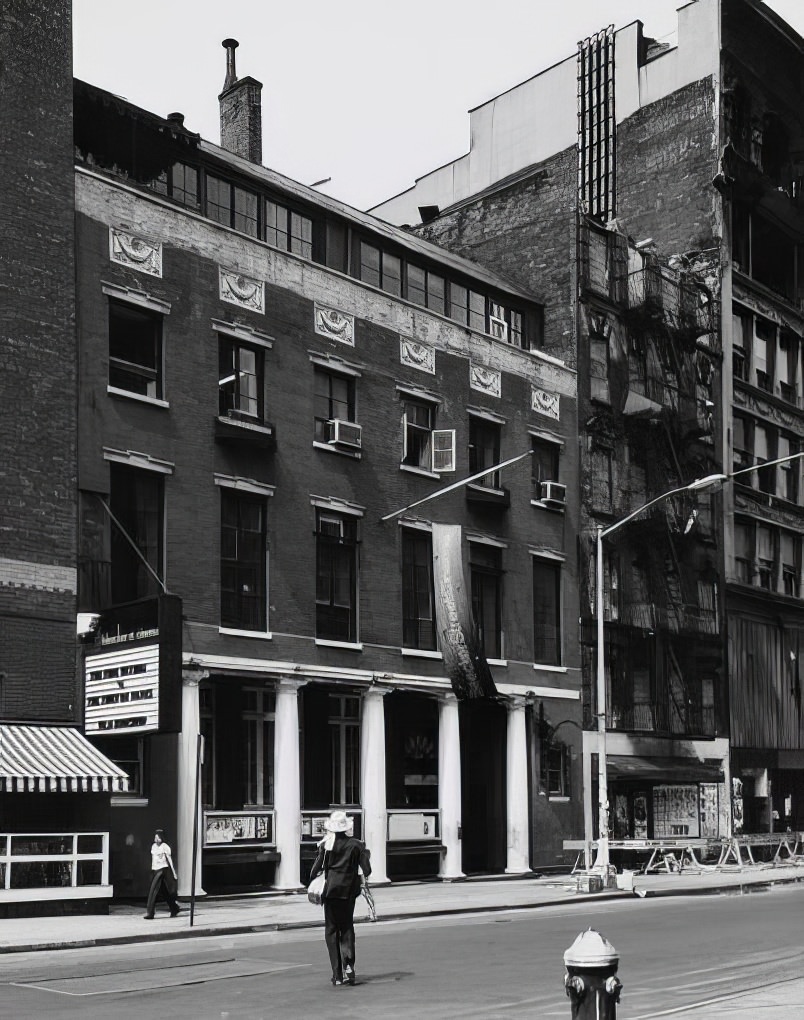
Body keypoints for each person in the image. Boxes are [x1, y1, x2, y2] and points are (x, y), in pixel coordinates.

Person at [308, 810, 371, 986]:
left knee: (331, 930)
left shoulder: (325, 846)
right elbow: (367, 870)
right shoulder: (356, 845)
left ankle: (337, 975)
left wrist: (316, 877)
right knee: (347, 926)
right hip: (349, 891)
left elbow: (315, 869)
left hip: (330, 892)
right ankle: (349, 965)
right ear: (346, 828)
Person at [144, 828, 180, 919]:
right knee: (164, 891)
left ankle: (150, 912)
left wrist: (174, 872)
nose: (156, 840)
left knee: (153, 890)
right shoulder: (153, 846)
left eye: (158, 838)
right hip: (155, 869)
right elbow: (153, 860)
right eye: (155, 837)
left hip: (163, 869)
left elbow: (170, 860)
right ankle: (174, 908)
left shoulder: (165, 846)